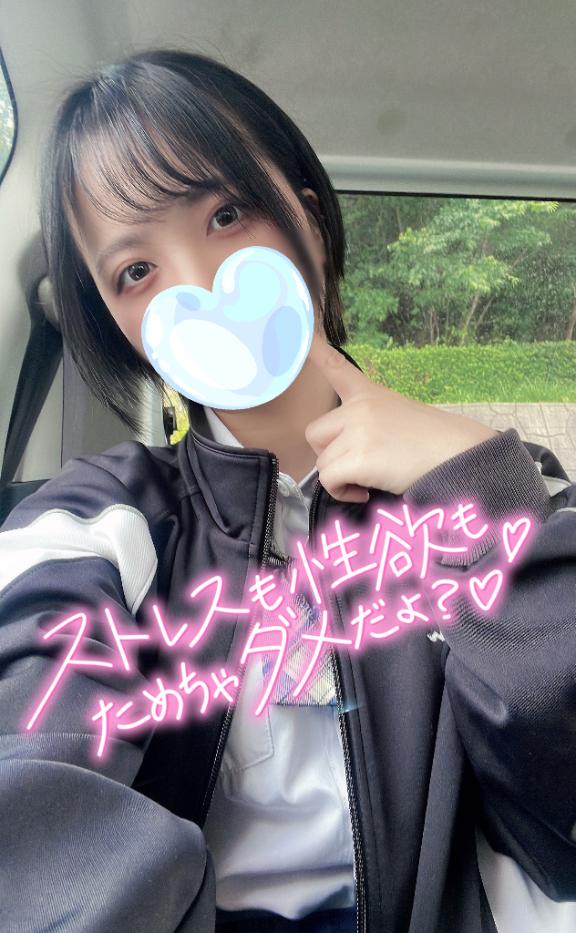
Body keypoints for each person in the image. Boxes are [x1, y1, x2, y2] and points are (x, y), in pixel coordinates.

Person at [0, 47, 575, 933]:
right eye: (135, 272)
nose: (200, 285)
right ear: (119, 326)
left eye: (226, 214)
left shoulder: (502, 482)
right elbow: (29, 795)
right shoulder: (95, 522)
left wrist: (482, 488)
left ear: (308, 216)